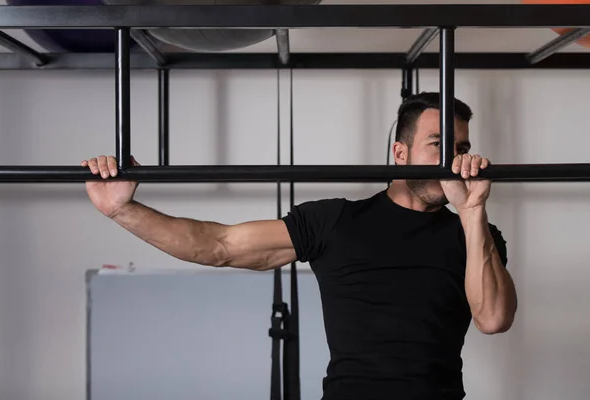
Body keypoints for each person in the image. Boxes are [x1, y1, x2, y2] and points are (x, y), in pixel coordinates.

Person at [81, 92, 517, 400]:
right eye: (439, 146)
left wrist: (473, 209)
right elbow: (219, 245)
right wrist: (123, 211)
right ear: (399, 154)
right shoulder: (336, 221)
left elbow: (493, 319)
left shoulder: (476, 234)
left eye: (462, 149)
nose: (455, 163)